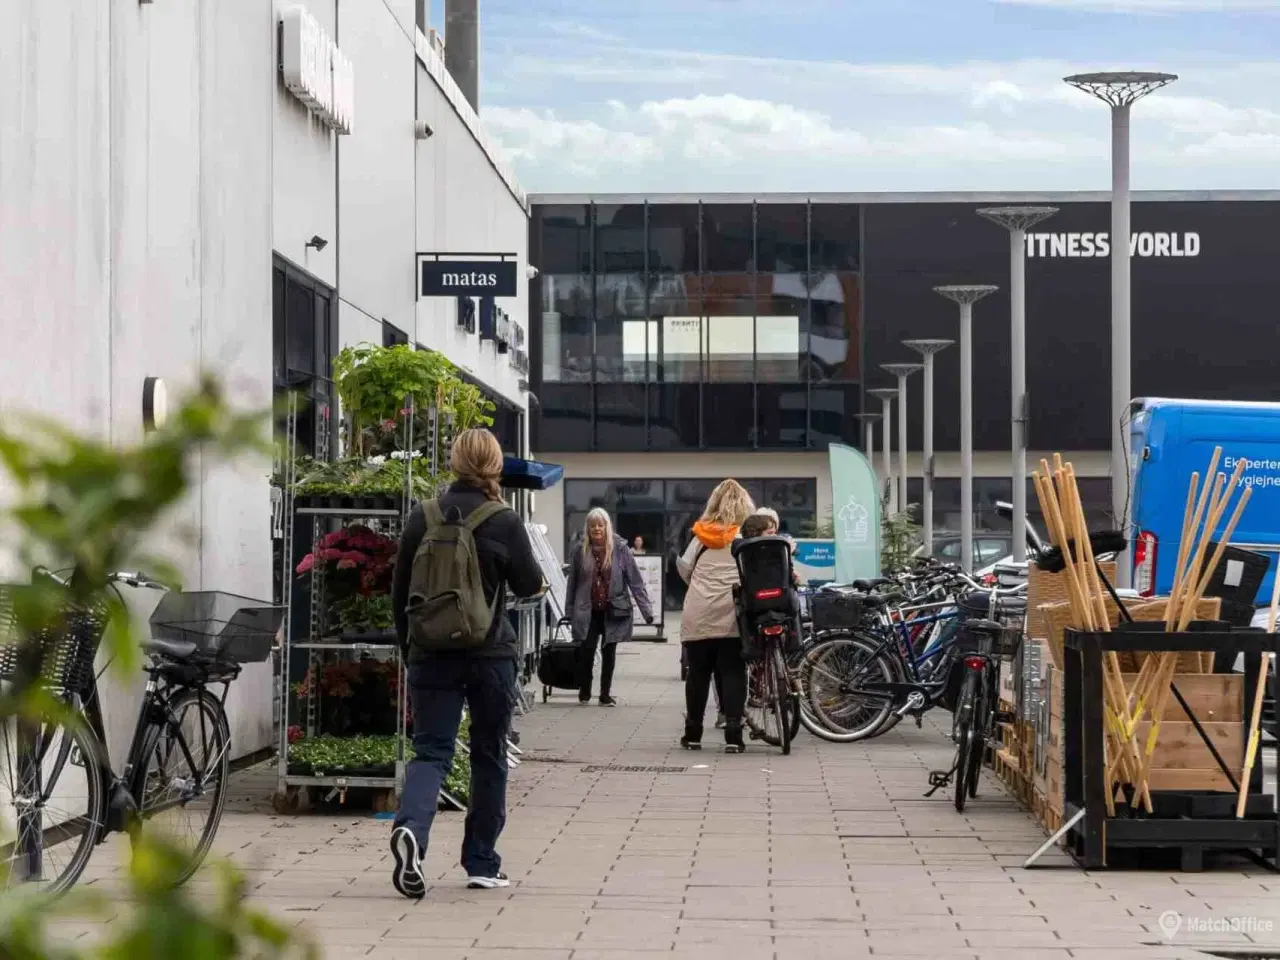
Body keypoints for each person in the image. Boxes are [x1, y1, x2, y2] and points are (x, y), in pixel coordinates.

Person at [388, 428, 544, 899]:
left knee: (431, 751)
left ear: (454, 463)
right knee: (489, 753)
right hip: (489, 655)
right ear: (495, 466)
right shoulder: (505, 521)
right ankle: (481, 862)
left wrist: (410, 650)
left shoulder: (423, 517)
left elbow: (399, 596)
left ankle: (412, 829)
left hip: (430, 655)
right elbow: (530, 583)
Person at [676, 478, 755, 752]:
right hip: (732, 616)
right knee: (733, 671)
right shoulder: (743, 540)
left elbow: (685, 569)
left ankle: (693, 733)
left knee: (698, 672)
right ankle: (733, 735)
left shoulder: (699, 538)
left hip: (698, 613)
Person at [565, 507, 654, 705]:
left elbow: (635, 581)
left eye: (600, 525)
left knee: (609, 652)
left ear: (607, 526)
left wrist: (647, 611)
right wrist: (569, 611)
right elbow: (573, 583)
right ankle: (585, 691)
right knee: (586, 651)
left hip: (612, 609)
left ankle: (605, 694)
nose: (597, 529)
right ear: (587, 528)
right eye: (592, 525)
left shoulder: (620, 549)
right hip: (587, 610)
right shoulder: (580, 549)